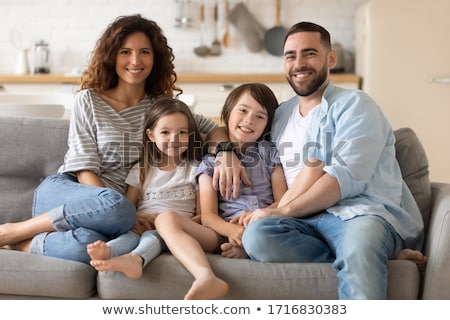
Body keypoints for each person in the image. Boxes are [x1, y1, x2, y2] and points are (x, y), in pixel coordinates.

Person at [212, 22, 427, 299]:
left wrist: (282, 211)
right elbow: (228, 126)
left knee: (359, 245)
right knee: (257, 237)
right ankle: (380, 255)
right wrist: (225, 150)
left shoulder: (356, 105)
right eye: (291, 56)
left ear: (331, 58)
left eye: (309, 53)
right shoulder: (279, 115)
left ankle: (366, 252)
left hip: (356, 213)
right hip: (303, 222)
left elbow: (344, 179)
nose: (299, 63)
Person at [0, 14, 217, 264]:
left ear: (155, 58)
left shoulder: (161, 108)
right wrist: (124, 211)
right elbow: (84, 169)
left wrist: (224, 153)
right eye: (125, 52)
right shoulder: (88, 100)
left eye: (144, 52)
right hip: (69, 193)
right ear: (112, 55)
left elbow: (214, 129)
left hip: (111, 215)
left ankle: (22, 245)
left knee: (91, 247)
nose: (135, 61)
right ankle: (14, 230)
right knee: (119, 208)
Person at [154, 83, 287, 300]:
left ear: (268, 125)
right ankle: (206, 276)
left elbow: (283, 202)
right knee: (165, 219)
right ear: (227, 113)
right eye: (243, 110)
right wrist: (231, 231)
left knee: (268, 228)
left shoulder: (269, 153)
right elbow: (208, 216)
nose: (249, 120)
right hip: (221, 232)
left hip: (265, 222)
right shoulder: (208, 164)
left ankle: (247, 247)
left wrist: (257, 218)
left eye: (260, 116)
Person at [87, 97, 203, 279]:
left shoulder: (195, 169)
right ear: (151, 135)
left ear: (190, 136)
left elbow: (202, 216)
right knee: (129, 237)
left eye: (182, 132)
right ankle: (109, 252)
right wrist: (140, 219)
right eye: (165, 132)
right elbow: (128, 207)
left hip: (176, 231)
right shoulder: (141, 169)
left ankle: (136, 259)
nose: (174, 139)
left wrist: (174, 226)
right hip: (142, 226)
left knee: (154, 237)